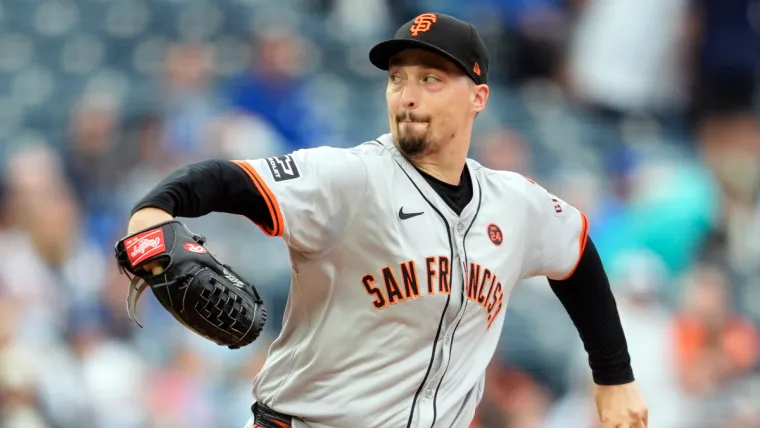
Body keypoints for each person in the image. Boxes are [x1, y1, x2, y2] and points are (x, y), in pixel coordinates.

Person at [124, 13, 648, 428]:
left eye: (431, 78)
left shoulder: (515, 204)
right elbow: (222, 179)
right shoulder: (350, 178)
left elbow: (576, 253)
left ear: (478, 96)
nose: (408, 94)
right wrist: (149, 217)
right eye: (398, 78)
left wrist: (614, 377)